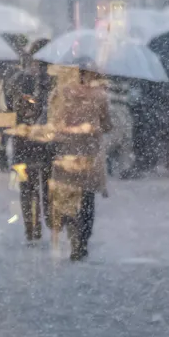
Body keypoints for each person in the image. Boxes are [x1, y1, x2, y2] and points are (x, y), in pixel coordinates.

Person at [47, 63, 112, 261]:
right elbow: (107, 125)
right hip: (90, 155)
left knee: (68, 197)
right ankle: (82, 241)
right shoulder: (100, 96)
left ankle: (72, 233)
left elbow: (55, 121)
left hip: (67, 151)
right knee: (87, 200)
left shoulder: (62, 93)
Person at [8, 40, 54, 242]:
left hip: (28, 142)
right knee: (40, 185)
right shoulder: (51, 83)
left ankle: (35, 226)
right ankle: (40, 222)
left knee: (31, 186)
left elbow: (11, 106)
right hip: (39, 142)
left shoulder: (21, 80)